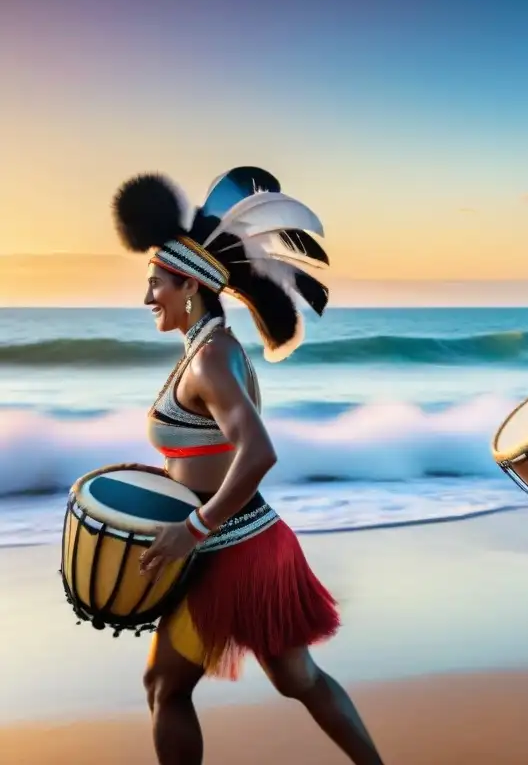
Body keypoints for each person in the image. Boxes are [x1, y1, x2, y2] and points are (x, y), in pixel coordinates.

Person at [112, 167, 386, 765]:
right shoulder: (214, 350)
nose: (146, 298)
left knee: (164, 687)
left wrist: (193, 528)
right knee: (299, 680)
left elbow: (259, 452)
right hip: (256, 541)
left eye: (154, 283)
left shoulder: (210, 360)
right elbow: (213, 451)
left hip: (228, 552)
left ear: (188, 286)